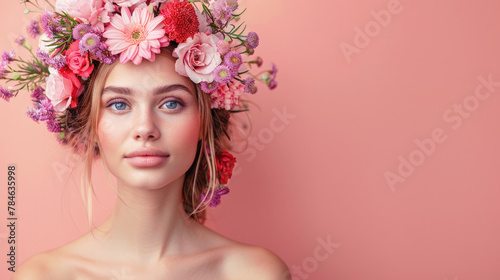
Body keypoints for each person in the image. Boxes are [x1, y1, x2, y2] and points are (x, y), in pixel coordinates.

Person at [1, 0, 287, 279]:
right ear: (91, 125)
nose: (145, 128)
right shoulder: (42, 276)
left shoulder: (256, 273)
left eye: (172, 103)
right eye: (119, 104)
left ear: (204, 121)